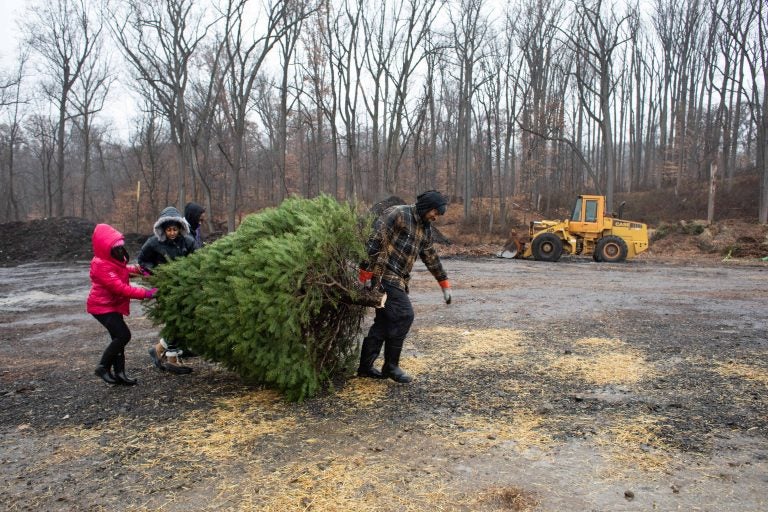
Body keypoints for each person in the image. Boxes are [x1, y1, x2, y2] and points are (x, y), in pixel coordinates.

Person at [357, 190, 452, 383]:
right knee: (404, 315)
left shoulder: (425, 229)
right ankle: (391, 366)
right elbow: (375, 238)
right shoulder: (398, 214)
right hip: (383, 274)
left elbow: (431, 257)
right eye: (435, 211)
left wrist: (444, 283)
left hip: (399, 279)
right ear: (427, 206)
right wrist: (365, 271)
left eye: (438, 214)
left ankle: (365, 368)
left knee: (383, 323)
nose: (436, 216)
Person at [87, 223, 157, 385]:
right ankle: (103, 367)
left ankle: (120, 374)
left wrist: (141, 270)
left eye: (120, 246)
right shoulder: (101, 265)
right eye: (116, 247)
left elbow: (124, 269)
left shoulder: (112, 259)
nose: (119, 250)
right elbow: (120, 288)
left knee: (118, 338)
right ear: (106, 247)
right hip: (102, 307)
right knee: (123, 335)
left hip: (112, 306)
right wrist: (147, 293)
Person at [138, 206, 197, 374]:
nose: (172, 233)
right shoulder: (154, 242)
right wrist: (155, 274)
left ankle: (159, 349)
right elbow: (142, 260)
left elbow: (198, 259)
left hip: (184, 286)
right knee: (175, 320)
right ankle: (171, 358)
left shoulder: (188, 242)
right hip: (165, 287)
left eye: (175, 229)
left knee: (184, 320)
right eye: (169, 230)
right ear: (163, 229)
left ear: (180, 228)